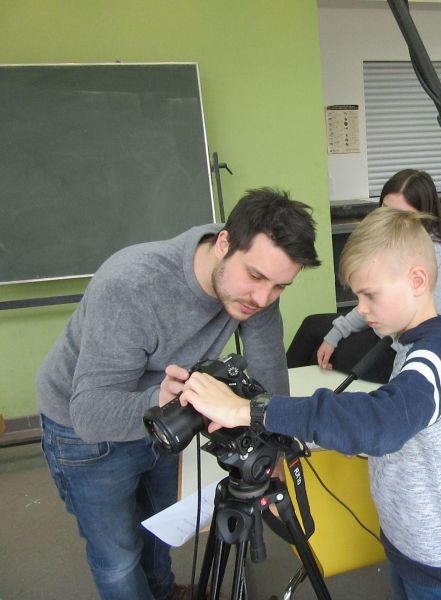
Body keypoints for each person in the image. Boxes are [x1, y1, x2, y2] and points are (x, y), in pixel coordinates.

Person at [180, 207, 441, 600]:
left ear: (417, 280)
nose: (360, 308)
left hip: (438, 553)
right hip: (410, 540)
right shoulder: (416, 344)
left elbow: (383, 423)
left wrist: (250, 409)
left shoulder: (435, 356)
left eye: (369, 294)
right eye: (357, 295)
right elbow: (411, 424)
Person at [37, 188, 320, 600]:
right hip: (83, 429)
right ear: (224, 244)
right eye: (256, 277)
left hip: (167, 414)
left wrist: (272, 447)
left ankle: (166, 593)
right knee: (118, 555)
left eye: (279, 286)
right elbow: (90, 411)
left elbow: (268, 370)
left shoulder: (258, 285)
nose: (262, 298)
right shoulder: (132, 285)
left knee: (159, 527)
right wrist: (157, 399)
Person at [286, 168, 441, 383]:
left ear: (423, 214)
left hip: (399, 352)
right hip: (384, 334)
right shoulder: (392, 245)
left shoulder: (437, 260)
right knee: (312, 328)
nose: (390, 221)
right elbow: (373, 302)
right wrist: (336, 333)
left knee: (323, 352)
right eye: (386, 211)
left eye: (402, 216)